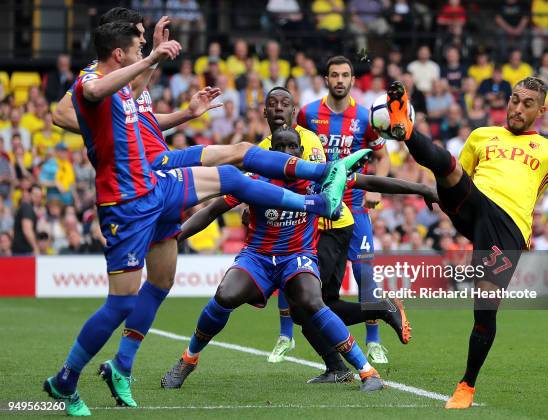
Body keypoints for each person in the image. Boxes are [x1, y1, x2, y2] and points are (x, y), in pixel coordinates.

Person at [42, 20, 368, 417]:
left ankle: (121, 367)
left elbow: (136, 114)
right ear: (119, 52)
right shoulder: (91, 81)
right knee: (121, 302)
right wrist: (152, 59)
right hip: (130, 196)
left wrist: (184, 110)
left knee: (164, 276)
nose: (147, 47)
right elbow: (78, 104)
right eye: (140, 43)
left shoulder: (129, 85)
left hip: (156, 178)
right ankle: (66, 379)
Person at [385, 76, 548, 408]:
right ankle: (404, 127)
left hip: (507, 229)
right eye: (514, 99)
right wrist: (436, 191)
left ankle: (466, 386)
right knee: (450, 166)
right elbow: (452, 176)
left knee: (485, 310)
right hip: (473, 204)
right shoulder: (482, 136)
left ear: (541, 110)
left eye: (527, 104)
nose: (517, 107)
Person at [161, 126, 385, 393]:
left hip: (297, 257)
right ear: (270, 153)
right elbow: (212, 211)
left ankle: (368, 372)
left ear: (301, 153)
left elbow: (369, 183)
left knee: (312, 301)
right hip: (258, 257)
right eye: (280, 147)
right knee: (224, 296)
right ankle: (188, 359)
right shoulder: (253, 180)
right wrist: (175, 237)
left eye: (292, 147)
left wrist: (424, 190)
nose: (286, 152)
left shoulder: (316, 180)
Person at [298, 56, 394, 363]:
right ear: (326, 79)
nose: (340, 80)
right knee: (315, 280)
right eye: (334, 75)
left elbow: (383, 156)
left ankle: (374, 341)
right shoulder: (308, 113)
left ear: (352, 80)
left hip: (355, 207)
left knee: (365, 274)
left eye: (345, 75)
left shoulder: (366, 117)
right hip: (319, 208)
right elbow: (295, 149)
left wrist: (376, 187)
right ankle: (304, 339)